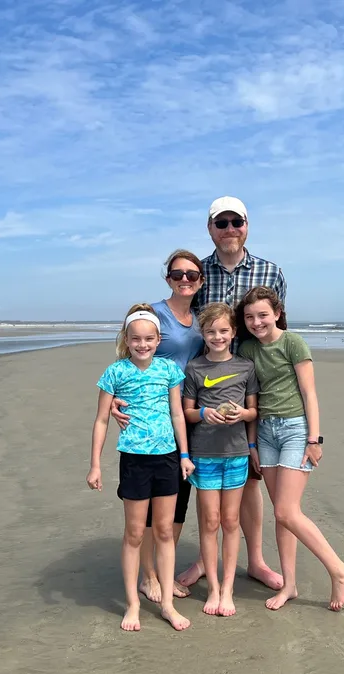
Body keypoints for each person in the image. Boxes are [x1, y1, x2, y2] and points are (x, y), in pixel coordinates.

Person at [177, 196, 287, 592]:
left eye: (235, 221)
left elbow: (276, 330)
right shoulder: (197, 272)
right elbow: (180, 323)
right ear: (210, 229)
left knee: (250, 477)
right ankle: (205, 561)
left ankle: (254, 560)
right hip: (203, 386)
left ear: (246, 224)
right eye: (220, 223)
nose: (228, 229)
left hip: (252, 384)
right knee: (205, 476)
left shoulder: (269, 271)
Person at [235, 286, 344, 612]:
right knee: (283, 515)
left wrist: (314, 440)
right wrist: (251, 444)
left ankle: (339, 570)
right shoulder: (247, 350)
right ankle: (289, 584)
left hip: (295, 430)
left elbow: (309, 393)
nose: (256, 322)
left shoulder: (293, 342)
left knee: (287, 511)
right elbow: (252, 401)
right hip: (265, 433)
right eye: (249, 317)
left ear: (276, 313)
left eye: (262, 315)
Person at [86, 304, 195, 632]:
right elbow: (102, 419)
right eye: (136, 339)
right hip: (134, 460)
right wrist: (95, 465)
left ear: (158, 339)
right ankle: (133, 604)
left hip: (167, 459)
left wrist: (185, 455)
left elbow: (177, 414)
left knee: (163, 531)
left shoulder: (169, 371)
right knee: (135, 532)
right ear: (127, 339)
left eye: (149, 339)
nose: (143, 344)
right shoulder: (115, 372)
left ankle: (167, 605)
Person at [109, 250, 205, 604]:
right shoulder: (154, 313)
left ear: (200, 280)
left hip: (185, 417)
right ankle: (148, 576)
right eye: (178, 274)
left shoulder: (197, 318)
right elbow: (132, 349)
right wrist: (118, 399)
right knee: (146, 509)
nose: (185, 279)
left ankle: (162, 569)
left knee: (176, 500)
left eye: (192, 275)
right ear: (168, 278)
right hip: (150, 422)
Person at [182, 302, 259, 617]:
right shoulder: (195, 368)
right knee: (210, 521)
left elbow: (254, 411)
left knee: (230, 521)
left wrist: (242, 414)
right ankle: (212, 587)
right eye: (211, 331)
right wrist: (204, 413)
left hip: (236, 454)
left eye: (223, 331)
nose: (217, 336)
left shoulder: (245, 368)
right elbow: (187, 411)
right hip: (205, 455)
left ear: (233, 332)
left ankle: (228, 589)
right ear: (203, 333)